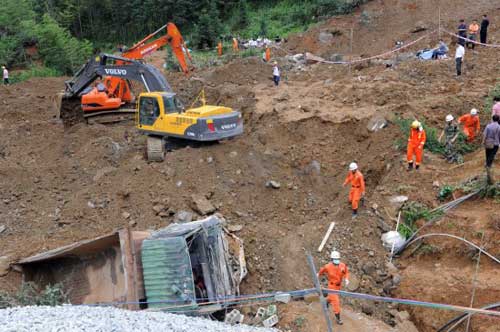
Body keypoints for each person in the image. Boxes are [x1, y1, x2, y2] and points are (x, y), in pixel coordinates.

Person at [318, 250, 350, 325]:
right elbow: (321, 271)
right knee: (336, 302)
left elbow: (346, 272)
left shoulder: (342, 265)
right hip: (331, 287)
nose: (337, 260)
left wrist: (346, 279)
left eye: (338, 259)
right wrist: (318, 275)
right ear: (331, 259)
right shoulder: (328, 266)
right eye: (335, 259)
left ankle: (327, 301)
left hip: (338, 286)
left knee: (331, 298)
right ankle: (338, 319)